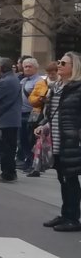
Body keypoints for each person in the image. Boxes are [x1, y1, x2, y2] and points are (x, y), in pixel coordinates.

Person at [38, 52, 81, 231]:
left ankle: (72, 218)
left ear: (74, 67)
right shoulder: (56, 87)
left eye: (64, 63)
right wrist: (44, 126)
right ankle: (65, 214)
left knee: (70, 179)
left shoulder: (77, 88)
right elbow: (51, 113)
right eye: (59, 62)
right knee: (62, 178)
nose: (59, 65)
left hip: (71, 141)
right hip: (55, 140)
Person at [26, 61, 59, 177]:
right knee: (37, 142)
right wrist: (40, 99)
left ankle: (42, 164)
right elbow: (31, 99)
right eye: (49, 72)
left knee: (46, 144)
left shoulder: (61, 84)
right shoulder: (42, 83)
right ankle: (36, 166)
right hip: (41, 116)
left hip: (52, 119)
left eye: (53, 72)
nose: (50, 75)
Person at [17, 58, 42, 173]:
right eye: (25, 66)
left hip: (32, 115)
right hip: (21, 113)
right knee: (22, 140)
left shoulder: (39, 81)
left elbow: (40, 99)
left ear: (36, 68)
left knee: (30, 140)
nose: (26, 68)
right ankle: (28, 160)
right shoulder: (23, 81)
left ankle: (32, 162)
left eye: (29, 66)